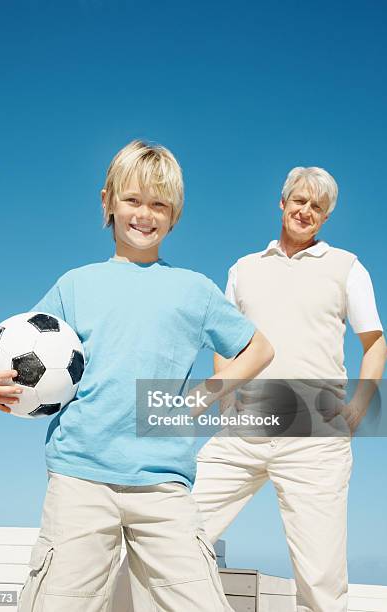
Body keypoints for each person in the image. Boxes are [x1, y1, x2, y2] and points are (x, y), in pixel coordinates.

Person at [0, 140, 274, 612]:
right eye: (132, 199)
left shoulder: (194, 291)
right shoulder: (74, 285)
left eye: (159, 204)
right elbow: (11, 355)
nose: (144, 214)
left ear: (175, 214)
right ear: (108, 202)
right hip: (79, 478)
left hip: (166, 484)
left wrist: (205, 395)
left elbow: (259, 348)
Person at [192, 167, 386, 612]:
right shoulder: (243, 269)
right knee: (179, 528)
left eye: (317, 207)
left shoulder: (348, 268)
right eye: (299, 201)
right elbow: (225, 342)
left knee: (320, 578)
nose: (306, 211)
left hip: (315, 437)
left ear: (326, 217)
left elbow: (375, 345)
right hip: (244, 427)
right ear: (282, 203)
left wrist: (358, 407)